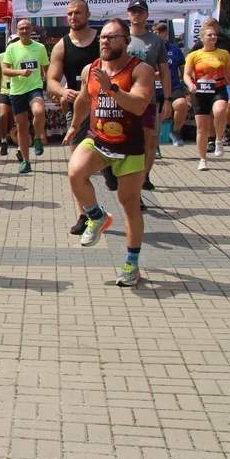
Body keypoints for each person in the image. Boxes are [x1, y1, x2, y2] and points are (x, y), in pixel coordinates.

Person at [64, 18, 154, 287]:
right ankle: (96, 215)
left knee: (130, 205)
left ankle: (132, 264)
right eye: (103, 36)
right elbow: (83, 99)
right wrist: (74, 125)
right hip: (98, 138)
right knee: (75, 173)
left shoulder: (141, 70)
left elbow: (138, 105)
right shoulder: (90, 69)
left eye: (112, 37)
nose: (105, 41)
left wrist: (112, 89)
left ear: (126, 41)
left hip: (129, 146)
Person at [46, 0, 101, 234]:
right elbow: (51, 80)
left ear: (88, 14)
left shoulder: (102, 40)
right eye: (69, 14)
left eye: (78, 13)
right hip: (77, 110)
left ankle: (125, 189)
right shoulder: (62, 45)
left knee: (116, 160)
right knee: (77, 167)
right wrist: (62, 91)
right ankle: (85, 215)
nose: (73, 17)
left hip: (105, 108)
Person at [123, 0, 171, 194]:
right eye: (133, 11)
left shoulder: (156, 40)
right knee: (126, 140)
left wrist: (167, 99)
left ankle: (143, 178)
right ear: (128, 14)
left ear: (146, 15)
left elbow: (165, 71)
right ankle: (129, 180)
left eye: (140, 11)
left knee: (149, 141)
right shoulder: (121, 37)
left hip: (148, 100)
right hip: (124, 98)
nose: (137, 14)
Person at [185, 20, 230, 169]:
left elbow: (228, 73)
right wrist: (190, 85)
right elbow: (186, 75)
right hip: (200, 92)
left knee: (220, 110)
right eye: (210, 35)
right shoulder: (194, 55)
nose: (213, 37)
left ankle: (219, 140)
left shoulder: (223, 53)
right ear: (202, 38)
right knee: (202, 128)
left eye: (215, 35)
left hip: (219, 88)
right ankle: (203, 159)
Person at [190, 18, 230, 147]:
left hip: (226, 79)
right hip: (207, 82)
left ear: (216, 27)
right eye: (204, 28)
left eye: (208, 27)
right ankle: (212, 139)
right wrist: (193, 79)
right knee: (212, 110)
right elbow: (190, 62)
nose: (206, 31)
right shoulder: (202, 42)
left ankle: (226, 127)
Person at [0, 19, 49, 173]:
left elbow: (46, 69)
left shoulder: (39, 48)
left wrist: (51, 87)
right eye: (21, 29)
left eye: (27, 28)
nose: (24, 31)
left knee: (39, 111)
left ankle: (38, 138)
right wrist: (19, 72)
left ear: (31, 30)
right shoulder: (12, 48)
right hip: (17, 91)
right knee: (22, 127)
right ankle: (26, 161)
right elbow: (5, 70)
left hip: (34, 87)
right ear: (17, 30)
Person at [154, 23, 188, 150]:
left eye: (160, 33)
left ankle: (175, 131)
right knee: (157, 118)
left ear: (165, 34)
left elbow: (183, 69)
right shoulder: (151, 48)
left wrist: (187, 85)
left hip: (173, 85)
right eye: (155, 33)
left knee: (181, 104)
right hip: (155, 87)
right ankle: (155, 146)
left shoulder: (174, 49)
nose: (157, 35)